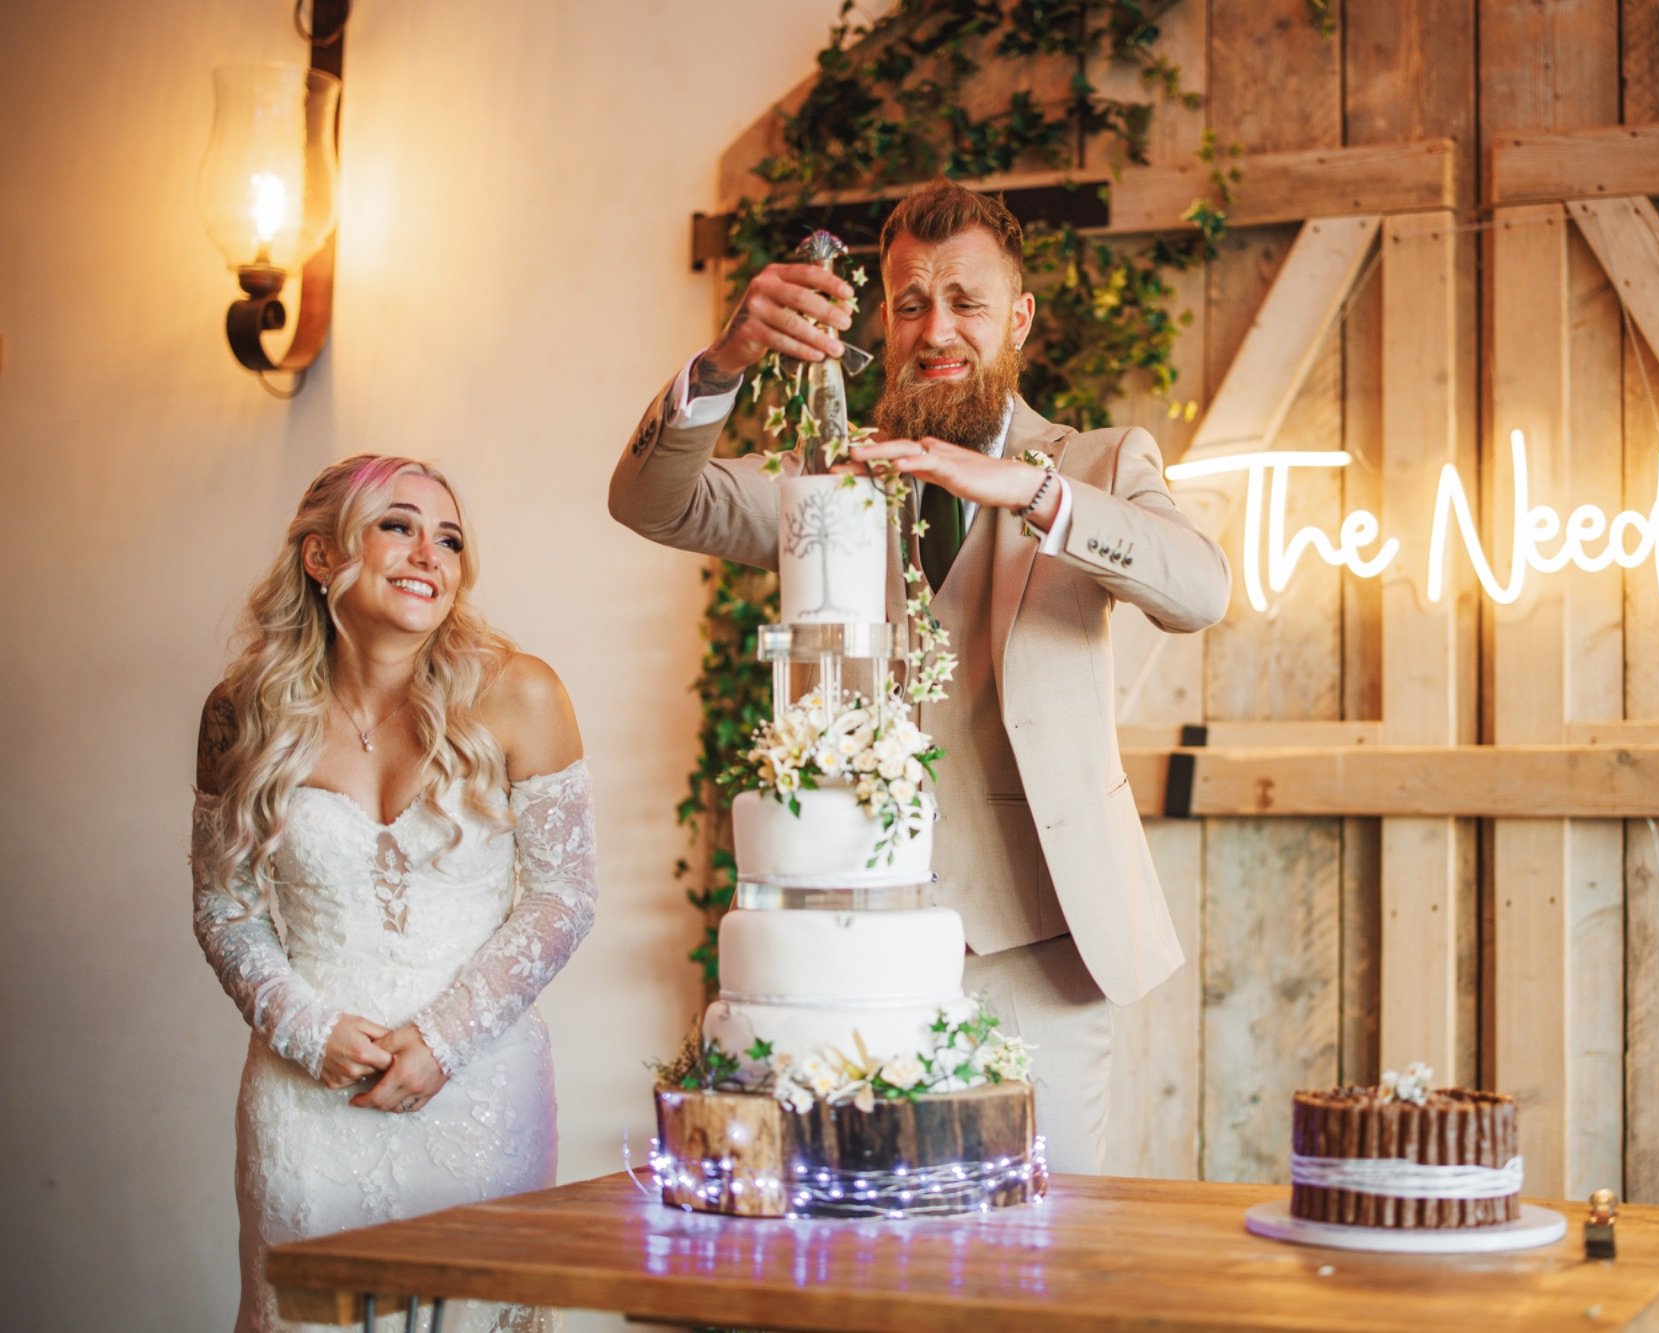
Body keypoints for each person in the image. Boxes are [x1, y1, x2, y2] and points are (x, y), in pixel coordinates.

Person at [609, 179, 1228, 1173]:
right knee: (874, 1238)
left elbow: (1199, 589)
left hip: (1038, 951)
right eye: (910, 303)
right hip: (857, 956)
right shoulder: (828, 475)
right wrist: (724, 361)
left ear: (1018, 318)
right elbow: (653, 502)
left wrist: (1029, 490)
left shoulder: (1098, 462)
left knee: (1044, 1239)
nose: (935, 329)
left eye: (966, 302)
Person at [192, 455, 596, 1332]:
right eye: (398, 526)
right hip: (308, 1099)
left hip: (479, 1088)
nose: (428, 555)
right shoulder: (240, 711)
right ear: (320, 555)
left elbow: (564, 895)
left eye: (449, 539)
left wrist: (446, 1039)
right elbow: (224, 907)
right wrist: (306, 1029)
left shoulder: (521, 693)